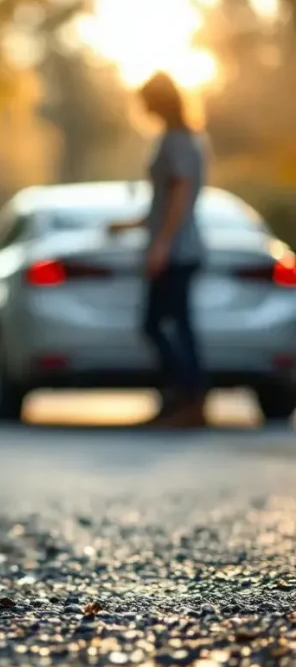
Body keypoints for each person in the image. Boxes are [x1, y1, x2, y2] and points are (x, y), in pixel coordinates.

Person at [108, 71, 208, 428]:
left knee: (160, 324)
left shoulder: (176, 140)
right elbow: (164, 201)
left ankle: (190, 396)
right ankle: (182, 397)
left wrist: (161, 246)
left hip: (177, 250)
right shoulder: (185, 138)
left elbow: (179, 195)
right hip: (178, 246)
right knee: (175, 324)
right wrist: (132, 225)